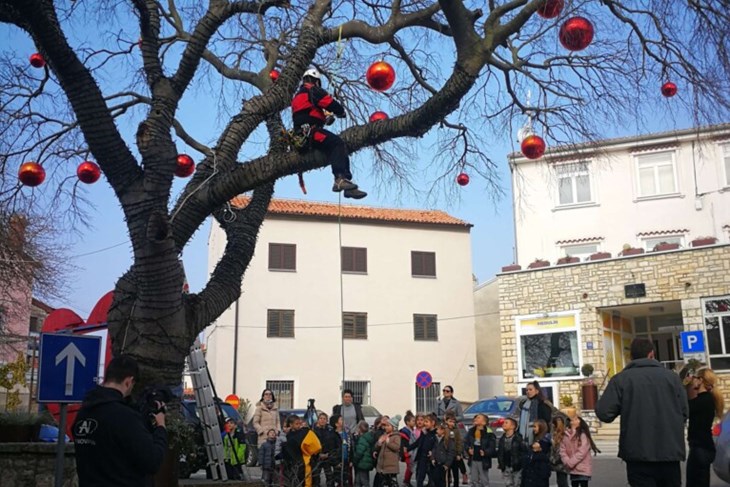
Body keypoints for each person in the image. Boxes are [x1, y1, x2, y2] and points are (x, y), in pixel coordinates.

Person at [596, 338, 688, 487]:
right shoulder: (672, 378)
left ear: (631, 357)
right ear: (651, 354)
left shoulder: (621, 379)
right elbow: (684, 411)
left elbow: (604, 413)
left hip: (637, 453)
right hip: (669, 453)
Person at [72, 355, 167, 487]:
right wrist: (160, 427)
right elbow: (152, 461)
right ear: (128, 382)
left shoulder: (84, 413)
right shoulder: (124, 416)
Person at [291, 67, 367, 200]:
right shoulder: (313, 90)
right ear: (316, 81)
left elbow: (306, 114)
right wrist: (340, 112)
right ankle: (340, 179)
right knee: (337, 143)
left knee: (337, 145)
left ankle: (347, 184)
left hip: (302, 135)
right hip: (311, 134)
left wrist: (325, 118)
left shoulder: (298, 96)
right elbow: (332, 104)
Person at [685, 367, 725, 487]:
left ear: (701, 380)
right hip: (704, 447)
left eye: (695, 378)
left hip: (699, 448)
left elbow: (686, 407)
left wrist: (687, 386)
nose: (693, 380)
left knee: (695, 482)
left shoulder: (703, 400)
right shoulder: (707, 399)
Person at [559, 416, 600, 487]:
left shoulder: (582, 435)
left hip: (582, 468)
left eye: (576, 419)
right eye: (572, 419)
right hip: (572, 469)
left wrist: (571, 462)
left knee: (583, 484)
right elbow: (562, 450)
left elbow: (582, 452)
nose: (573, 420)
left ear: (580, 423)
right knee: (574, 484)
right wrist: (567, 461)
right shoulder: (566, 435)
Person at [285, 415, 323, 487]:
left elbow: (316, 446)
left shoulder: (304, 432)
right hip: (294, 462)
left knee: (307, 481)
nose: (299, 426)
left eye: (300, 423)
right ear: (291, 425)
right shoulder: (288, 435)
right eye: (297, 424)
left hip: (305, 461)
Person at [464, 413, 496, 487]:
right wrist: (468, 449)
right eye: (475, 418)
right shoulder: (471, 431)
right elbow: (466, 442)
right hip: (473, 458)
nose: (476, 419)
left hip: (483, 460)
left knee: (484, 480)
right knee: (473, 480)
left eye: (478, 418)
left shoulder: (489, 433)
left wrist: (485, 452)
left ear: (484, 422)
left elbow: (492, 447)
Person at [409, 412, 438, 487]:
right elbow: (418, 442)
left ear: (433, 423)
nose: (424, 423)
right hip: (422, 458)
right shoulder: (424, 432)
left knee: (432, 480)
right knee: (419, 478)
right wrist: (408, 448)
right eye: (424, 421)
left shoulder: (436, 434)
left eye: (426, 422)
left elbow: (437, 446)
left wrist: (433, 453)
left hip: (430, 460)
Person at [520, 419, 551, 487]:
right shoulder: (536, 439)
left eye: (535, 427)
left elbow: (544, 457)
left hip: (539, 472)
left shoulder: (545, 441)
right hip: (531, 473)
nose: (533, 429)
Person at [496, 417, 525, 487]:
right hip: (506, 465)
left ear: (513, 426)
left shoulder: (518, 438)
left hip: (517, 466)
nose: (504, 424)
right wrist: (500, 463)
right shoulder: (502, 439)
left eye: (506, 423)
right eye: (503, 423)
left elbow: (523, 451)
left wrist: (520, 462)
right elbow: (500, 452)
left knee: (517, 483)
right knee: (508, 484)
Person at [313, 412, 340, 487]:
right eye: (321, 418)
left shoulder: (330, 431)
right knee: (316, 476)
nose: (322, 420)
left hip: (327, 456)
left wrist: (328, 454)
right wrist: (318, 454)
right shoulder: (313, 431)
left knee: (329, 476)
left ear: (326, 420)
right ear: (318, 420)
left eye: (324, 419)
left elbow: (333, 444)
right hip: (317, 457)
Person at [375, 415, 402, 487]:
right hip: (382, 466)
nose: (386, 427)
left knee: (392, 483)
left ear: (394, 427)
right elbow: (377, 446)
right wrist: (379, 443)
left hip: (391, 467)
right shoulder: (384, 435)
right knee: (383, 483)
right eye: (385, 426)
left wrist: (388, 442)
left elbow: (396, 447)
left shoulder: (396, 436)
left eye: (388, 426)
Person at [444, 411, 467, 487]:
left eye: (453, 422)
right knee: (447, 473)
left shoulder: (456, 431)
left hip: (454, 455)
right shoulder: (444, 429)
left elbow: (459, 442)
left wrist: (458, 453)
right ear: (446, 421)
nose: (451, 423)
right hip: (446, 455)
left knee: (455, 473)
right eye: (450, 421)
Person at [431, 422, 456, 487]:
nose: (436, 431)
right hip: (437, 463)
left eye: (438, 429)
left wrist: (447, 464)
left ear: (443, 431)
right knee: (436, 479)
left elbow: (451, 453)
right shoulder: (436, 439)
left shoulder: (449, 440)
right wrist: (433, 458)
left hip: (444, 464)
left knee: (444, 481)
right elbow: (434, 449)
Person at [353, 420, 375, 487]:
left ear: (359, 429)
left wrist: (354, 461)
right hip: (365, 463)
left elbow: (359, 452)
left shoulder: (362, 439)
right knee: (358, 481)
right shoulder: (368, 437)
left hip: (362, 463)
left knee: (364, 481)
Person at [550, 415, 570, 487]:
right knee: (561, 480)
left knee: (562, 481)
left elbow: (559, 450)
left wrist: (553, 460)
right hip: (562, 461)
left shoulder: (560, 435)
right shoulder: (564, 434)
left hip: (560, 461)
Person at [400, 411, 417, 487]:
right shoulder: (405, 432)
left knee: (410, 467)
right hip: (407, 453)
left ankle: (407, 481)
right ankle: (406, 481)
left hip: (411, 452)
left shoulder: (412, 430)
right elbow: (404, 445)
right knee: (409, 468)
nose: (415, 422)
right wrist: (406, 454)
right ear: (407, 422)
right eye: (413, 421)